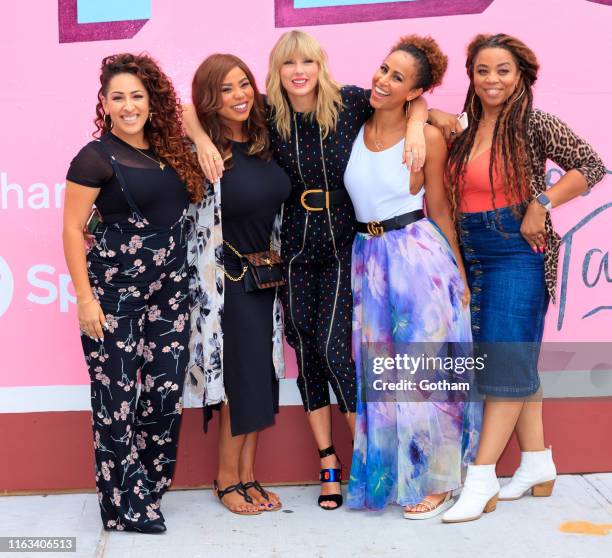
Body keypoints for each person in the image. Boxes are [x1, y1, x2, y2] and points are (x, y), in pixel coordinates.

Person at [184, 30, 428, 510]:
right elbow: (192, 107)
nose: (299, 72)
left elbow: (419, 106)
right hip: (290, 249)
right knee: (306, 353)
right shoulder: (264, 112)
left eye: (308, 62)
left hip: (341, 240)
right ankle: (328, 464)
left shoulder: (353, 101)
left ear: (321, 65)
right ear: (276, 71)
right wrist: (196, 138)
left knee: (335, 350)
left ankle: (375, 462)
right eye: (288, 63)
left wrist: (418, 124)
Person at [426, 34, 606, 523]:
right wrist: (431, 112)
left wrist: (541, 203)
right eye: (483, 70)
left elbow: (591, 166)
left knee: (503, 362)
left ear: (521, 75)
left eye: (503, 70)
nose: (492, 80)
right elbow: (411, 112)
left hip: (516, 251)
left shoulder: (533, 122)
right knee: (512, 356)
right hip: (472, 249)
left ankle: (481, 478)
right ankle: (537, 464)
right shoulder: (462, 128)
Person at [62, 53, 203, 532]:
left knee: (165, 393)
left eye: (137, 96)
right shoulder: (95, 157)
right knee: (116, 398)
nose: (128, 106)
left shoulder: (170, 148)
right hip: (113, 295)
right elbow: (70, 230)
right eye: (117, 97)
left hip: (170, 292)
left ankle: (149, 487)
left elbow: (188, 113)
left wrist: (199, 138)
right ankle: (122, 506)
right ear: (103, 103)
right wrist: (85, 300)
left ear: (151, 101)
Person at [343, 35, 480, 519]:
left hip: (417, 259)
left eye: (398, 78)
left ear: (414, 91)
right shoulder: (352, 121)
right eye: (383, 68)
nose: (382, 80)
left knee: (427, 375)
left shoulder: (430, 137)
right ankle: (394, 475)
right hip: (368, 261)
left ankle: (437, 482)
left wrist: (459, 276)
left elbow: (441, 211)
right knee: (381, 377)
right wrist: (424, 112)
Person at [187, 54, 291, 515]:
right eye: (226, 89)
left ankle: (248, 475)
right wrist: (197, 135)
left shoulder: (266, 136)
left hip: (266, 279)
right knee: (240, 383)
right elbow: (173, 107)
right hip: (229, 285)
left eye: (244, 83)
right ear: (210, 98)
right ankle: (226, 480)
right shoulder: (207, 153)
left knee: (261, 383)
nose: (239, 95)